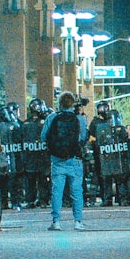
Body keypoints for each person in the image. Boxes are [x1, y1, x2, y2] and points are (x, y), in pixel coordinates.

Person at [41, 90, 87, 230]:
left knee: (57, 191)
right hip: (75, 159)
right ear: (72, 103)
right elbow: (83, 137)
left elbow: (44, 137)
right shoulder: (78, 119)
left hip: (57, 160)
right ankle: (78, 221)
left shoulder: (52, 117)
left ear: (59, 103)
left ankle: (56, 222)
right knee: (76, 191)